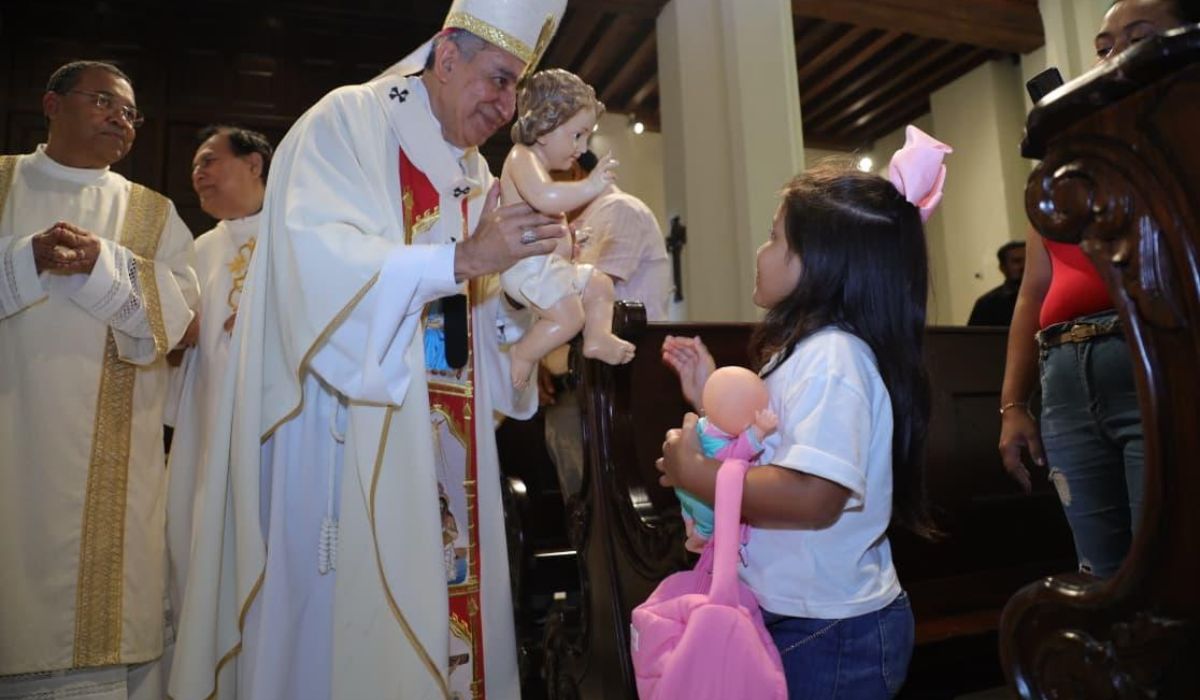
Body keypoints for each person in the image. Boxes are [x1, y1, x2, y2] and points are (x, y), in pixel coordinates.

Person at [168, 2, 568, 699]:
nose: (507, 105)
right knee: (342, 641)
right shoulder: (346, 121)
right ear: (447, 57)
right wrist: (466, 258)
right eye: (498, 79)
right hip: (341, 429)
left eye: (515, 88)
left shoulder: (471, 168)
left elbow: (469, 307)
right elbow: (319, 268)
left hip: (443, 435)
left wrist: (522, 315)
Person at [658, 125, 951, 698]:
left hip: (829, 627)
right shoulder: (808, 352)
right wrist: (708, 399)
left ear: (818, 262)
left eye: (773, 239)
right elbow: (776, 443)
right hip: (802, 610)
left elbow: (813, 496)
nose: (761, 252)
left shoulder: (835, 358)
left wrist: (700, 475)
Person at [0, 60, 199, 699]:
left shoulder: (152, 213)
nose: (122, 120)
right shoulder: (2, 183)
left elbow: (188, 323)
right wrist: (20, 258)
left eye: (132, 113)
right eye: (105, 103)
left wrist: (106, 268)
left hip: (110, 454)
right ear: (51, 104)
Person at [998, 0, 1197, 579]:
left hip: (1146, 355)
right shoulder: (1067, 158)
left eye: (1137, 38)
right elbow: (1033, 291)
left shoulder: (1183, 138)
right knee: (1099, 571)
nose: (1113, 56)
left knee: (1167, 566)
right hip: (1063, 373)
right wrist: (1013, 404)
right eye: (1104, 47)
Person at [164, 125, 272, 628]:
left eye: (209, 160)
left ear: (254, 164)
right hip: (210, 428)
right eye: (194, 167)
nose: (198, 175)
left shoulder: (299, 235)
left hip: (277, 430)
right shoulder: (199, 250)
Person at [541, 149, 672, 501]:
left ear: (572, 169)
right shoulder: (571, 225)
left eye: (544, 178)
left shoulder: (618, 210)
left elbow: (583, 294)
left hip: (620, 383)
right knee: (582, 507)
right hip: (581, 381)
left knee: (605, 506)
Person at [500, 68, 634, 389]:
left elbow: (550, 209)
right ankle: (523, 353)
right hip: (526, 267)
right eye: (578, 135)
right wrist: (590, 185)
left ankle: (598, 337)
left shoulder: (540, 168)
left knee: (600, 284)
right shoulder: (521, 158)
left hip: (549, 267)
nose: (584, 148)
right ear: (545, 127)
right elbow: (546, 199)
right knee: (570, 317)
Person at [967, 240, 1025, 326]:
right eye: (1016, 261)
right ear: (1002, 268)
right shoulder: (987, 304)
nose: (1024, 265)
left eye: (1030, 260)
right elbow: (975, 338)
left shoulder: (1046, 297)